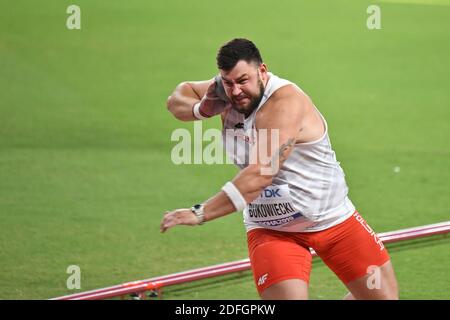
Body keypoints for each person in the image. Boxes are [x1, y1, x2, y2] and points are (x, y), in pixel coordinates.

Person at [160, 38, 398, 300]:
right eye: (228, 83)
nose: (236, 91)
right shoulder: (225, 90)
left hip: (332, 218)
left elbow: (260, 175)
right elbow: (175, 99)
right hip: (271, 228)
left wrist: (200, 213)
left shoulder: (284, 102)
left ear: (262, 71)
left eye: (243, 81)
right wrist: (200, 109)